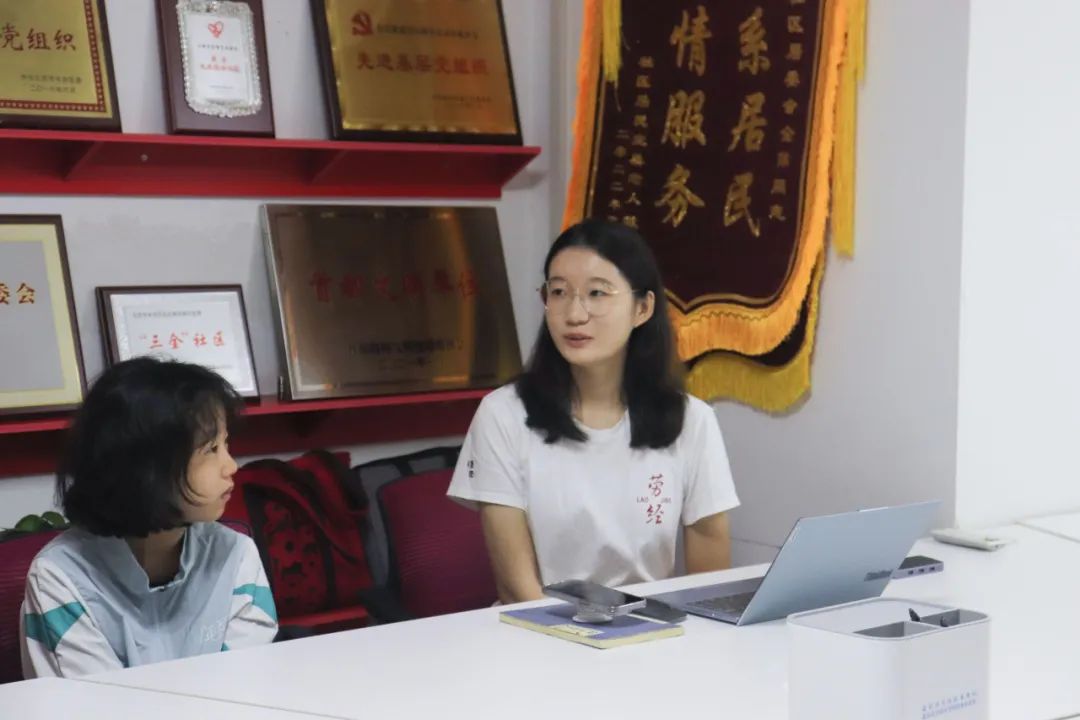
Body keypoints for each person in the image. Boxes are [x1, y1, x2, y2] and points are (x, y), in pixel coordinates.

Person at [448, 219, 739, 603]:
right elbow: (517, 590)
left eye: (597, 293)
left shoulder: (692, 420)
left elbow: (710, 585)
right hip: (537, 630)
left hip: (650, 630)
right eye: (558, 292)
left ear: (642, 308)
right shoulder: (503, 414)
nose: (574, 314)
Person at [20, 357, 277, 678]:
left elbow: (243, 686)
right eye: (210, 449)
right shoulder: (59, 578)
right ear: (144, 467)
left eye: (226, 444)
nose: (231, 466)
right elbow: (93, 701)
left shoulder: (236, 555)